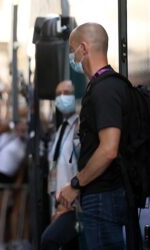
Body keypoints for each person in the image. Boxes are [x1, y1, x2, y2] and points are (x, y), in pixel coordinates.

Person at [57, 22, 129, 249]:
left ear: (83, 48)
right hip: (101, 198)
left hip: (103, 199)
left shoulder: (105, 89)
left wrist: (76, 184)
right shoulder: (105, 86)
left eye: (72, 50)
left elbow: (108, 149)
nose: (72, 56)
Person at [41, 80, 79, 250]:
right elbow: (54, 167)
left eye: (67, 92)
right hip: (58, 205)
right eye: (58, 94)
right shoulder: (60, 130)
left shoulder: (79, 127)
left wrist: (68, 203)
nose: (62, 97)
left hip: (73, 205)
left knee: (49, 240)